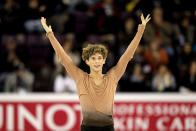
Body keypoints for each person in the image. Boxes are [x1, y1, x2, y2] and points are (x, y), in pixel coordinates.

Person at [41, 14, 150, 131]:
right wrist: (50, 35)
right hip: (87, 127)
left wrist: (140, 30)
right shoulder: (81, 78)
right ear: (87, 61)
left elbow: (128, 55)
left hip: (108, 127)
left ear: (104, 60)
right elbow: (63, 58)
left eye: (99, 58)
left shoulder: (112, 77)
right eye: (93, 58)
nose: (97, 61)